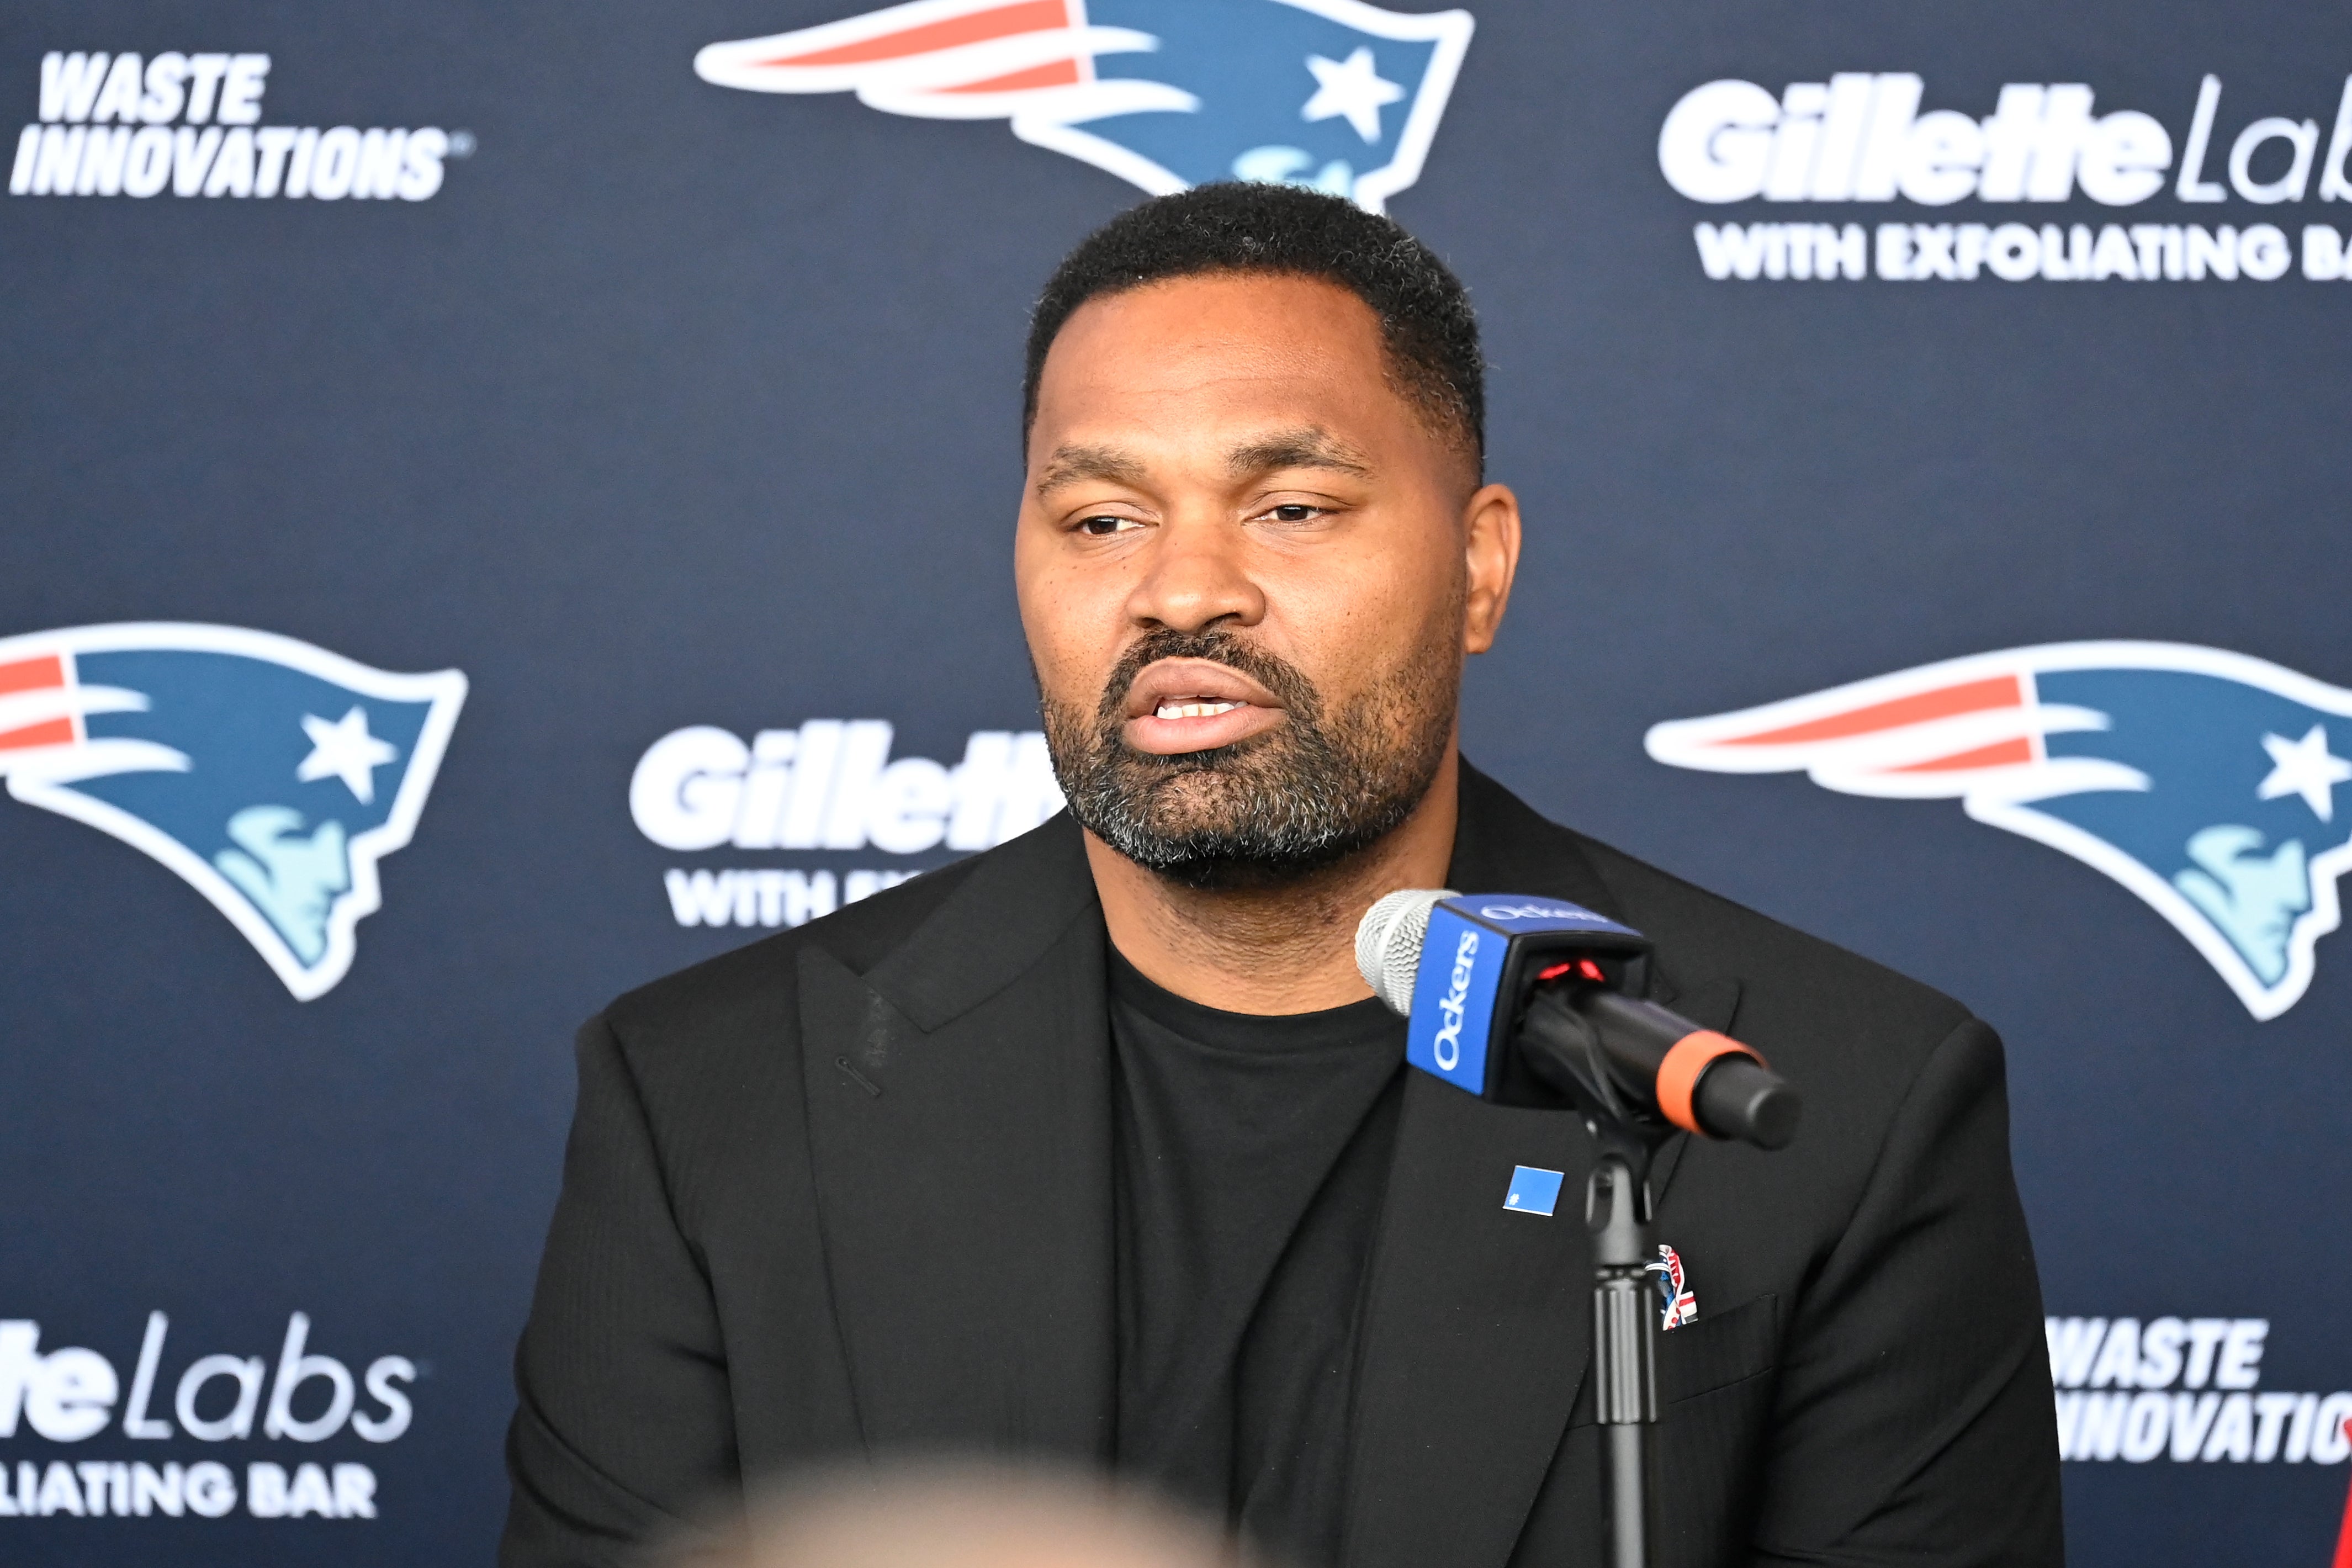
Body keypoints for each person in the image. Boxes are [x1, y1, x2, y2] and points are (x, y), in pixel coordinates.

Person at [502, 184, 2063, 1568]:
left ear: (1478, 568)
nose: (1183, 589)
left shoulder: (1834, 1102)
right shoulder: (709, 1099)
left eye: (1291, 508)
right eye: (1101, 517)